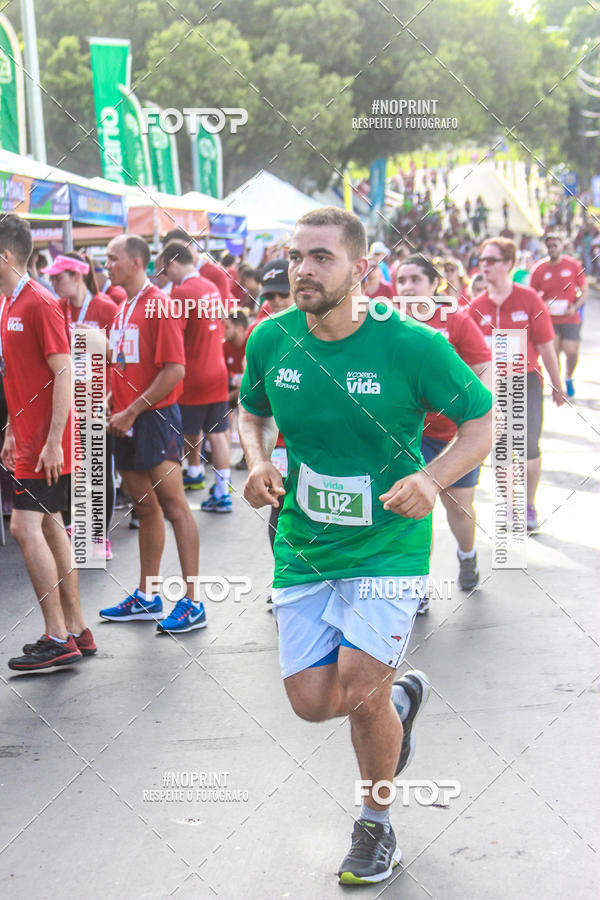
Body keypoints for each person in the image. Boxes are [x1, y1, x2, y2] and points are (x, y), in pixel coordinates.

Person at [239, 207, 493, 884]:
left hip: (389, 542)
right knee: (312, 702)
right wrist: (257, 460)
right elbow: (251, 411)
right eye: (296, 256)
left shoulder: (410, 344)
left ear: (362, 269)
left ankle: (377, 825)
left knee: (358, 689)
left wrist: (433, 479)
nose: (303, 270)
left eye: (321, 257)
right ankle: (402, 700)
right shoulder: (271, 339)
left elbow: (481, 419)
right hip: (305, 543)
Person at [0, 214, 95, 670]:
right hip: (30, 440)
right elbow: (18, 375)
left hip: (46, 445)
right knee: (52, 524)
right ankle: (75, 628)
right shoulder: (9, 303)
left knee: (23, 528)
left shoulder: (39, 302)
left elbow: (64, 372)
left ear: (5, 256)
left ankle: (58, 636)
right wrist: (10, 431)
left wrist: (55, 440)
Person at [97, 235, 204, 634]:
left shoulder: (159, 304)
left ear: (137, 262)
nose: (107, 264)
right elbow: (128, 364)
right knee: (145, 508)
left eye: (114, 258)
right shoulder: (125, 306)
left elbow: (175, 369)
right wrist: (112, 398)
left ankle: (194, 601)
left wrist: (131, 409)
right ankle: (148, 595)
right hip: (127, 419)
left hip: (153, 418)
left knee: (175, 506)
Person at [396, 255, 492, 600]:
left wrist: (479, 414)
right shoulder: (385, 323)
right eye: (401, 279)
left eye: (415, 279)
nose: (407, 286)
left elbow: (483, 364)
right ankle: (418, 585)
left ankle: (467, 556)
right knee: (416, 511)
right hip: (410, 435)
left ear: (434, 284)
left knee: (458, 508)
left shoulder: (455, 319)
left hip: (455, 436)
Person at [469, 237, 564, 531]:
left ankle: (528, 505)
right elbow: (467, 355)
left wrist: (557, 384)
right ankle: (510, 505)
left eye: (491, 260)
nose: (484, 266)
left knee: (528, 449)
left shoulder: (529, 299)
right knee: (500, 448)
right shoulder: (476, 306)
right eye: (482, 260)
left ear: (509, 264)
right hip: (491, 385)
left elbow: (547, 346)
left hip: (526, 382)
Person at [44, 251, 118, 559]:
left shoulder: (105, 307)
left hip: (99, 397)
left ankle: (100, 535)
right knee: (77, 466)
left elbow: (121, 355)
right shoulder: (57, 308)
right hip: (69, 399)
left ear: (77, 276)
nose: (53, 282)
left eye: (58, 277)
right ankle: (80, 524)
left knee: (99, 466)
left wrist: (96, 338)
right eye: (50, 277)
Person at [159, 240, 232, 512]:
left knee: (181, 434)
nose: (167, 277)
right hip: (217, 369)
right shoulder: (210, 287)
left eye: (167, 270)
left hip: (194, 374)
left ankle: (180, 489)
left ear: (174, 264)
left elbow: (172, 336)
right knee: (218, 433)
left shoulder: (181, 293)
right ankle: (222, 491)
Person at [529, 234, 587, 397]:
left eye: (555, 244)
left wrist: (575, 307)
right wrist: (542, 306)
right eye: (549, 245)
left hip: (570, 315)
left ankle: (568, 376)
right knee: (553, 351)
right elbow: (532, 295)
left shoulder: (572, 265)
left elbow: (585, 290)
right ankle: (558, 384)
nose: (552, 248)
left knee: (571, 351)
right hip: (550, 318)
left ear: (561, 246)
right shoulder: (539, 269)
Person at [162, 228, 230, 302]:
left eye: (176, 250)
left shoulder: (217, 274)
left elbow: (224, 309)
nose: (173, 256)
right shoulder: (178, 276)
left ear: (189, 246)